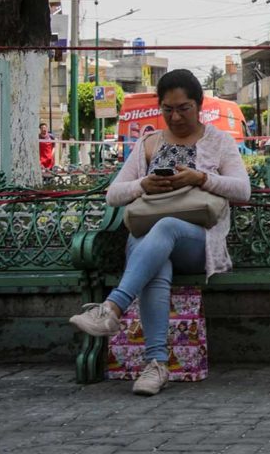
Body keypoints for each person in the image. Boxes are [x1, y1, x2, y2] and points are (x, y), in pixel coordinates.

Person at [69, 69, 251, 396]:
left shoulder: (219, 140)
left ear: (199, 106)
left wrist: (200, 178)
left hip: (197, 243)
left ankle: (111, 309)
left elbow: (242, 190)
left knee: (164, 228)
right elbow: (114, 194)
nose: (175, 116)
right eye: (168, 109)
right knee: (155, 255)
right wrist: (144, 184)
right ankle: (155, 365)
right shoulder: (149, 142)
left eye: (183, 108)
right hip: (151, 246)